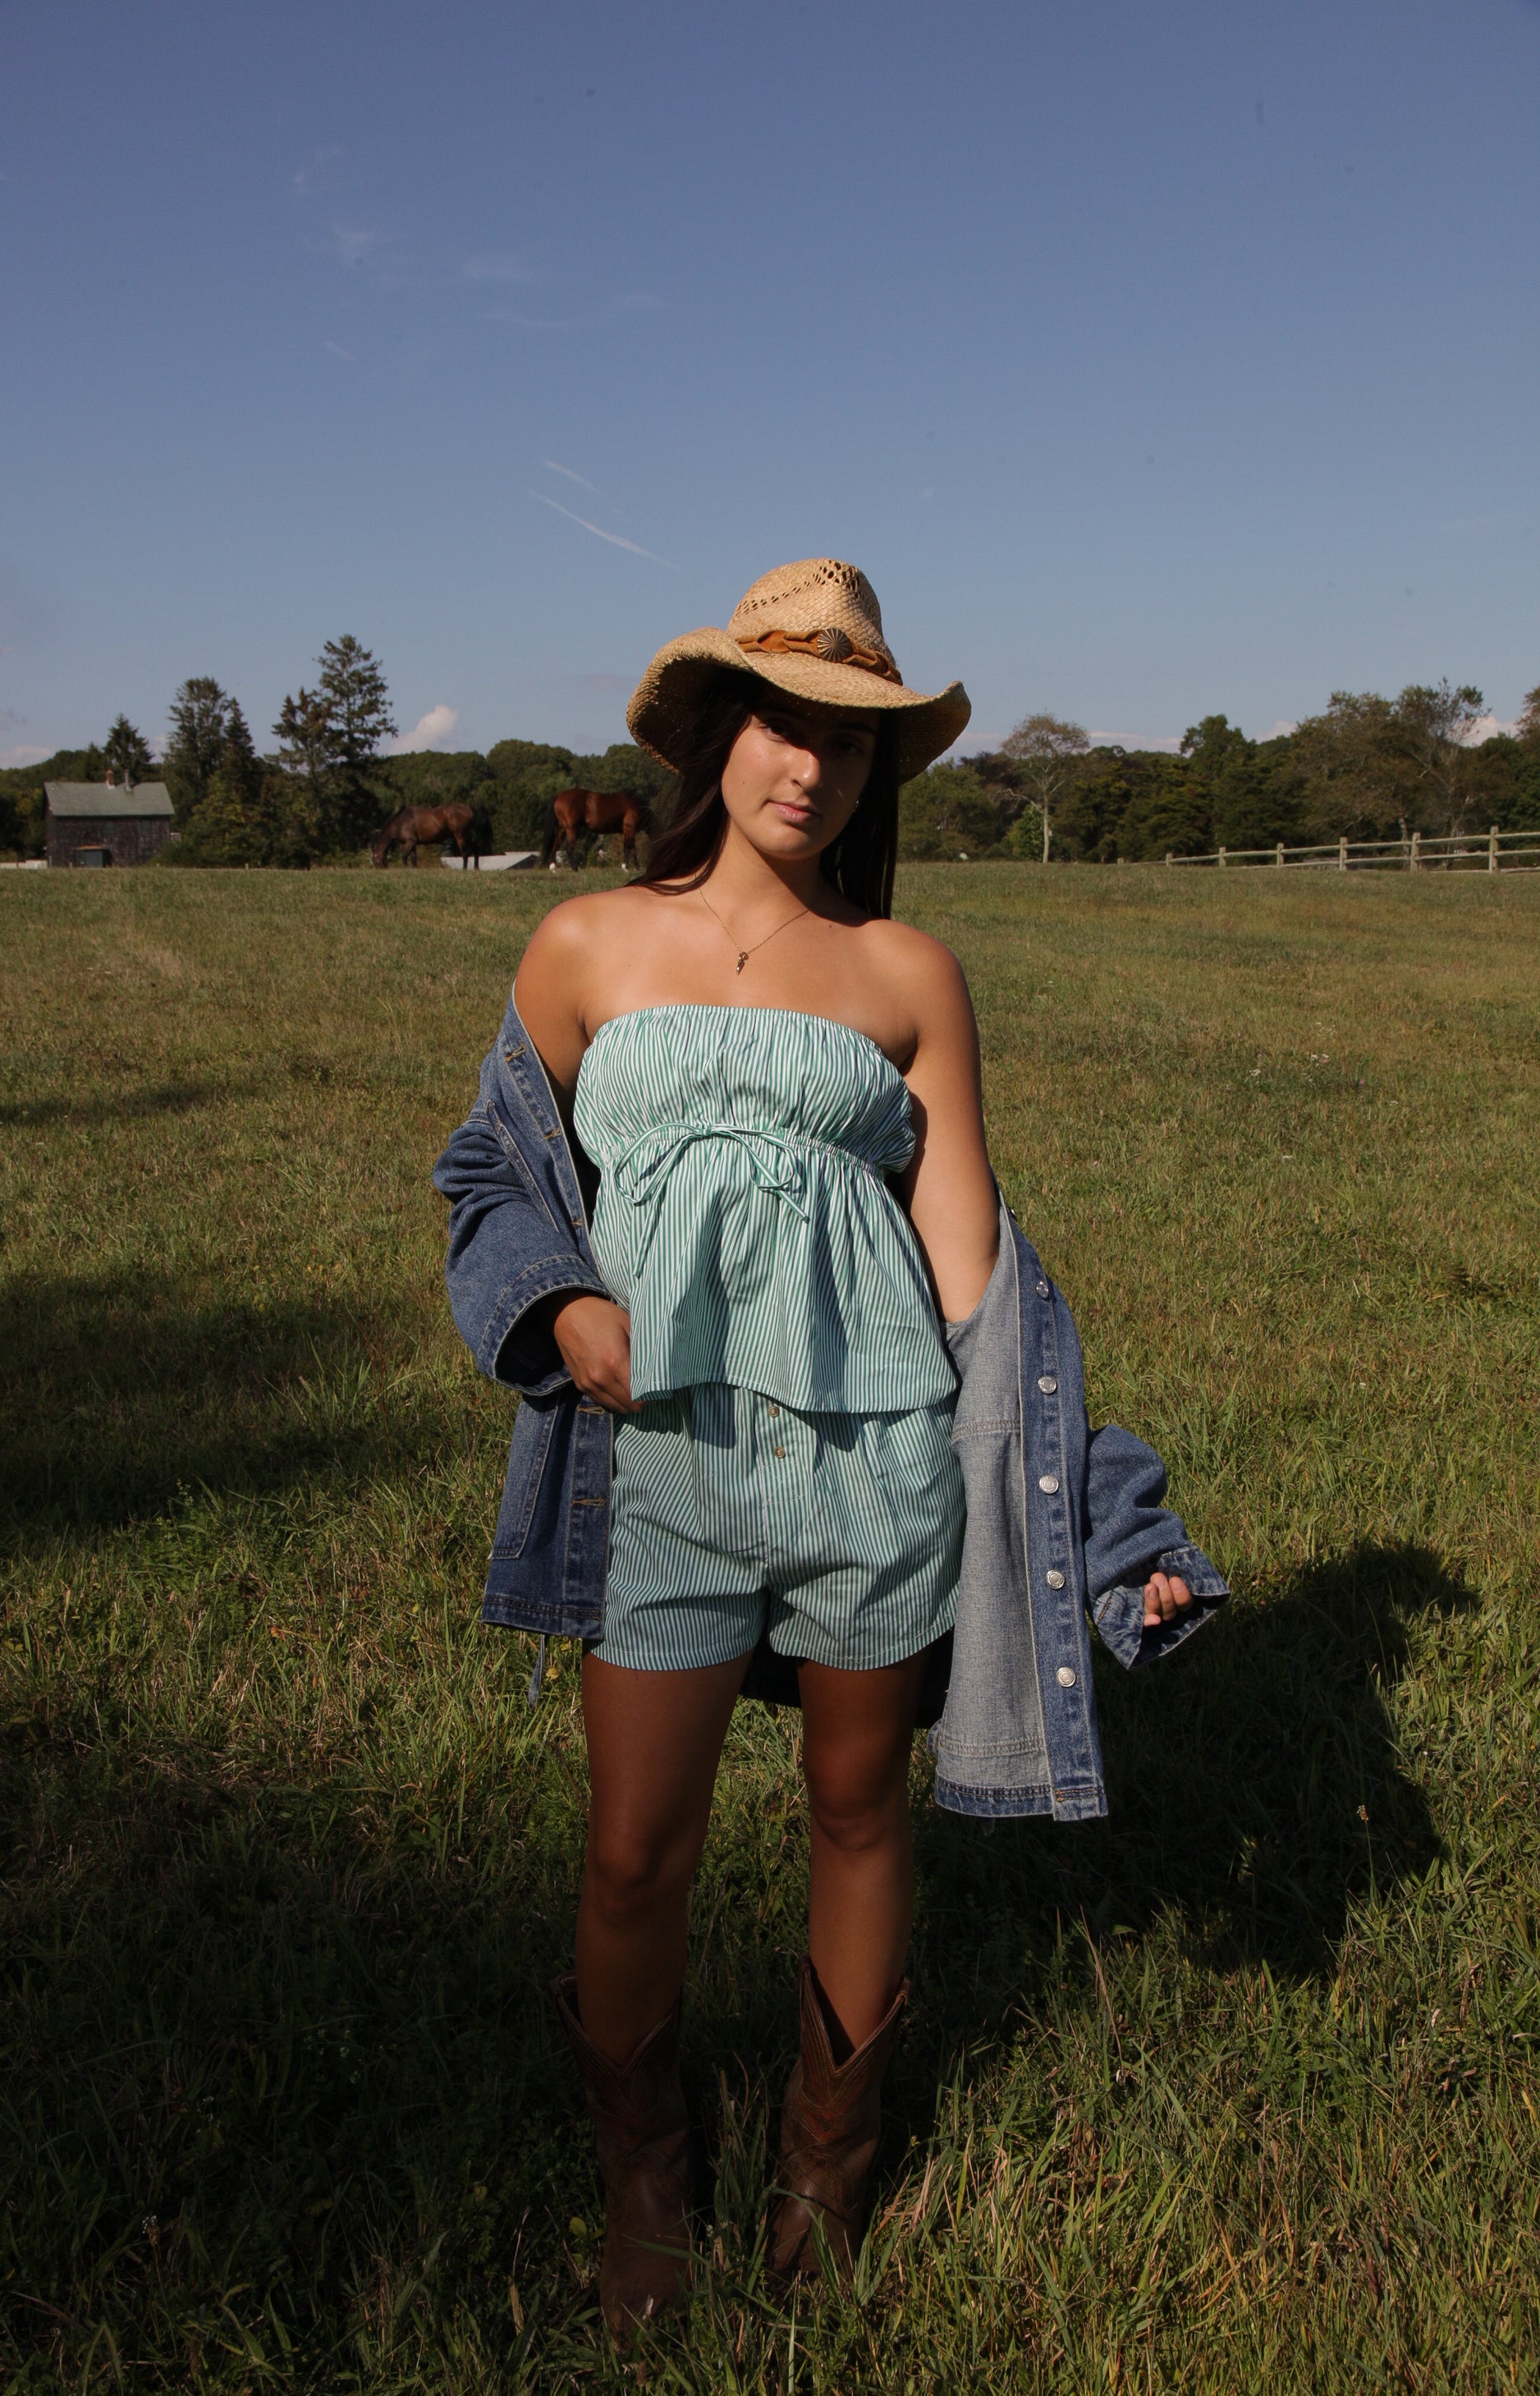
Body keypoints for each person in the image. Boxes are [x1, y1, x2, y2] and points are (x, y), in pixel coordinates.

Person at [435, 558, 1204, 2343]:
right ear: (718, 736)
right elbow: (489, 1170)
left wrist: (1105, 1519)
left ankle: (822, 2168)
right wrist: (560, 1303)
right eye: (786, 725)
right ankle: (645, 2176)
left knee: (858, 1812)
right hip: (659, 1470)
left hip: (879, 1472)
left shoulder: (908, 973)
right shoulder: (583, 945)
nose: (814, 767)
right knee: (635, 1846)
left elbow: (981, 1286)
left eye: (852, 743)